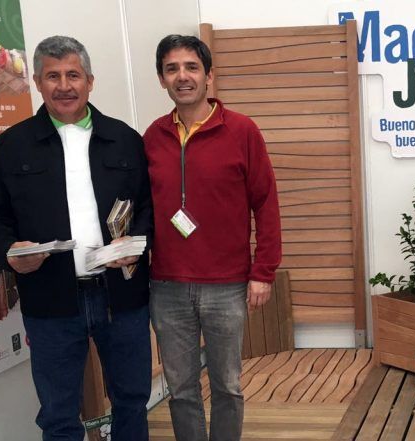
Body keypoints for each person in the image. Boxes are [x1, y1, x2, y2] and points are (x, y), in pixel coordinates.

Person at [0, 35, 153, 440]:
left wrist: (137, 245)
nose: (64, 85)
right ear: (38, 82)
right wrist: (8, 252)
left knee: (131, 401)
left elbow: (148, 206)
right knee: (58, 416)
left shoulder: (124, 138)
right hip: (49, 299)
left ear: (90, 81)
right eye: (53, 76)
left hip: (121, 297)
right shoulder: (12, 145)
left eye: (73, 75)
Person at [143, 34, 282, 441]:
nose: (182, 76)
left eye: (191, 67)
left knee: (227, 386)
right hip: (167, 286)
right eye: (172, 69)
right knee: (181, 390)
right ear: (161, 79)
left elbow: (266, 203)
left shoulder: (242, 131)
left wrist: (263, 272)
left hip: (227, 285)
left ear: (209, 76)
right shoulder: (152, 136)